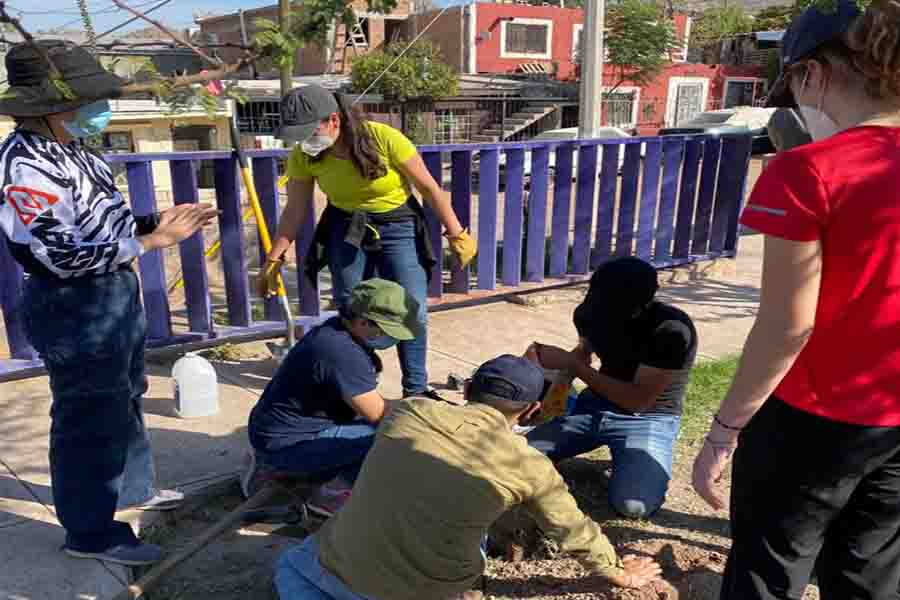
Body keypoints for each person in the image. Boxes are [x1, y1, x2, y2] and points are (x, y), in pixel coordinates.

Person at [690, 1, 900, 597]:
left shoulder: (806, 171)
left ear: (814, 74)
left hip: (811, 416)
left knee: (770, 568)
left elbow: (787, 326)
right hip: (893, 418)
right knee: (871, 575)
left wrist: (724, 432)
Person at [0, 40, 217, 565]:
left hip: (114, 290)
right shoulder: (23, 166)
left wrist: (155, 224)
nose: (101, 110)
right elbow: (56, 252)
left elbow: (101, 221)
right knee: (88, 415)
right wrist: (149, 244)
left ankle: (132, 491)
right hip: (73, 301)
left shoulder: (75, 149)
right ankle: (90, 531)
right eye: (90, 101)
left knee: (126, 394)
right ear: (51, 108)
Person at [274, 354, 662, 600]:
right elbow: (573, 531)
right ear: (531, 412)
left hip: (324, 576)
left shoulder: (409, 412)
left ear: (468, 389)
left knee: (292, 565)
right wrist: (617, 572)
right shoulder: (530, 467)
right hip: (426, 590)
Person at [259, 85, 477, 400]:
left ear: (333, 120)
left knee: (412, 307)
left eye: (308, 131)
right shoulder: (305, 157)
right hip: (345, 226)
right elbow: (295, 209)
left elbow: (429, 187)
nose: (304, 140)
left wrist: (457, 233)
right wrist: (274, 259)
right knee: (351, 307)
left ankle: (416, 389)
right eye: (298, 134)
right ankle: (356, 385)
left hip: (398, 224)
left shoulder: (382, 137)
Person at [524, 257, 697, 519]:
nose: (602, 313)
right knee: (516, 457)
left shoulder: (671, 331)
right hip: (593, 406)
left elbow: (637, 401)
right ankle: (620, 454)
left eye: (612, 307)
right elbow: (584, 352)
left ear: (641, 305)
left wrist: (574, 366)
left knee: (633, 506)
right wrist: (553, 393)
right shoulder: (589, 312)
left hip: (648, 417)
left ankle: (634, 460)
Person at [243, 278, 421, 517]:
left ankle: (282, 468)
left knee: (387, 427)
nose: (391, 339)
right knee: (392, 436)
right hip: (286, 444)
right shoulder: (342, 352)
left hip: (275, 431)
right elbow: (380, 415)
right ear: (362, 321)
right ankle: (330, 495)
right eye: (389, 331)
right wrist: (423, 411)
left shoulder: (337, 330)